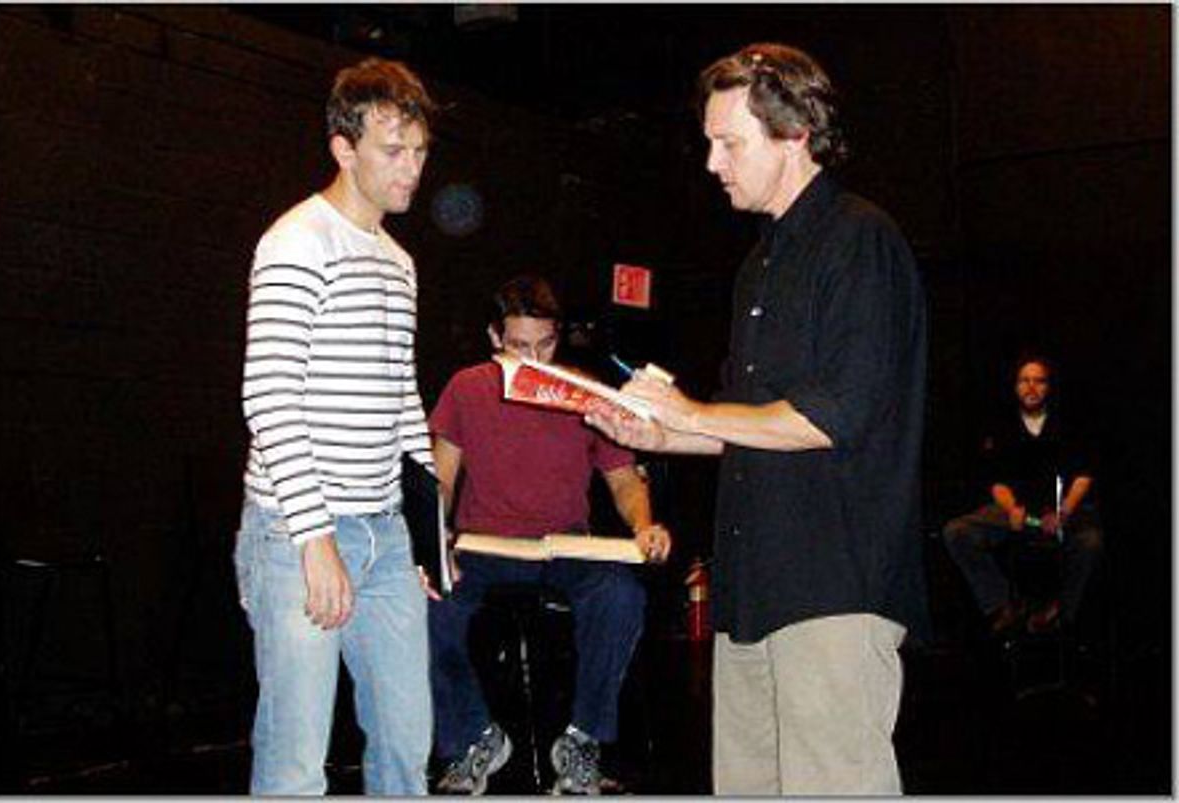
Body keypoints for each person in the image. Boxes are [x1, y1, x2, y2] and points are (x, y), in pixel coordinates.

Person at [586, 43, 927, 795]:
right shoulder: (757, 267)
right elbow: (744, 423)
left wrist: (693, 410)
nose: (712, 162)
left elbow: (835, 413)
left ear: (795, 134)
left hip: (833, 587)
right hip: (752, 590)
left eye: (729, 141)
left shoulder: (861, 241)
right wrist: (658, 431)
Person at [234, 57, 438, 795]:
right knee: (295, 764)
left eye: (419, 151)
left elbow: (402, 400)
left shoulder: (399, 261)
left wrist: (426, 530)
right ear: (343, 148)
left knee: (406, 751)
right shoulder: (297, 242)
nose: (410, 169)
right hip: (298, 534)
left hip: (386, 535)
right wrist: (314, 538)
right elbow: (270, 395)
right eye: (393, 150)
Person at [428, 275, 672, 795]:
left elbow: (624, 479)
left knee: (621, 595)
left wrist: (644, 524)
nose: (534, 359)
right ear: (495, 338)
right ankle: (475, 738)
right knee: (423, 602)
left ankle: (581, 741)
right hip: (482, 547)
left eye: (545, 345)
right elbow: (441, 479)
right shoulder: (467, 388)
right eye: (519, 347)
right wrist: (436, 537)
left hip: (563, 547)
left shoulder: (579, 393)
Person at [943, 353, 1103, 635]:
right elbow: (997, 482)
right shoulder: (1002, 426)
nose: (1031, 387)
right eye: (1025, 381)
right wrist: (1012, 508)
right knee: (957, 531)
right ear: (1016, 386)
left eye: (1038, 381)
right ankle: (1003, 603)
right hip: (1021, 513)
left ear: (1048, 387)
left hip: (1062, 512)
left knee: (1090, 543)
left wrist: (1063, 511)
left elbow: (1083, 476)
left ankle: (1058, 612)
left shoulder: (1066, 423)